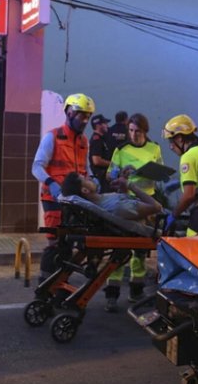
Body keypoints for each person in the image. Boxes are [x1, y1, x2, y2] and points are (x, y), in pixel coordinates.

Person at [103, 113, 164, 310]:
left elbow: (161, 172)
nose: (134, 134)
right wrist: (120, 174)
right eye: (130, 130)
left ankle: (136, 292)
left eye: (137, 131)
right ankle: (112, 295)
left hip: (146, 204)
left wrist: (154, 173)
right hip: (126, 203)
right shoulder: (121, 150)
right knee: (120, 247)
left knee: (140, 249)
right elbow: (109, 176)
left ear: (145, 131)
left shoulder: (154, 148)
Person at [31, 92, 94, 283]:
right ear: (69, 113)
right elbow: (36, 166)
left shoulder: (84, 141)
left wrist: (92, 180)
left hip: (74, 200)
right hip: (53, 198)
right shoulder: (52, 137)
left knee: (68, 244)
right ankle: (45, 286)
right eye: (82, 115)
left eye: (88, 116)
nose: (85, 120)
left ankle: (60, 283)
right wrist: (52, 184)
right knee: (55, 243)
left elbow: (85, 168)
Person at [60, 172, 162, 222]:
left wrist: (123, 187)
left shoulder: (103, 199)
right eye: (86, 179)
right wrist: (130, 185)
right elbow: (156, 207)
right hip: (165, 222)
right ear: (85, 190)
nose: (90, 178)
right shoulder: (116, 207)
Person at [88, 114, 113, 193]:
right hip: (100, 177)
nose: (107, 126)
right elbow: (96, 160)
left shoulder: (102, 139)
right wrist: (113, 164)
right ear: (98, 125)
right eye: (105, 123)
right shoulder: (97, 140)